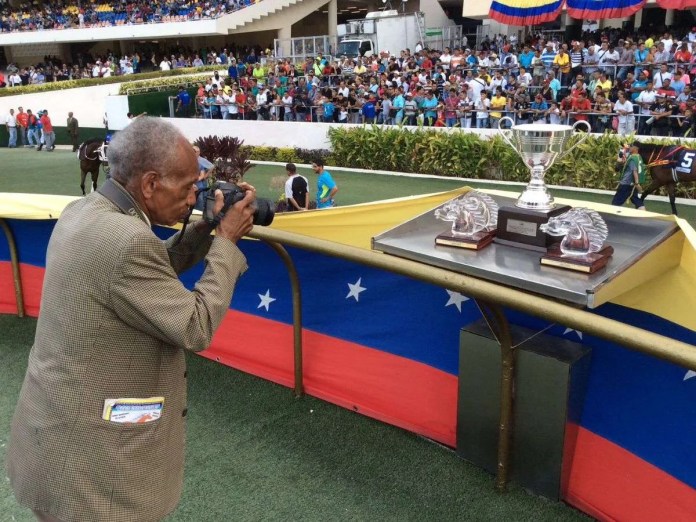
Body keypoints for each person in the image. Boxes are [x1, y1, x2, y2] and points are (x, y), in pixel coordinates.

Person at [6, 117, 256, 522]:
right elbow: (196, 326)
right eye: (188, 185)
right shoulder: (129, 241)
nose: (195, 196)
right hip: (92, 473)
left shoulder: (84, 210)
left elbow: (149, 269)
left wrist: (207, 225)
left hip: (54, 441)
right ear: (150, 184)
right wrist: (225, 242)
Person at [612, 141, 646, 210]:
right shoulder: (638, 157)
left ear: (635, 148)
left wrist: (637, 183)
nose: (629, 147)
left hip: (626, 183)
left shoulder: (632, 159)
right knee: (637, 200)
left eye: (631, 146)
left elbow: (635, 171)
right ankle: (644, 213)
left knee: (615, 203)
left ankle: (613, 218)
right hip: (632, 185)